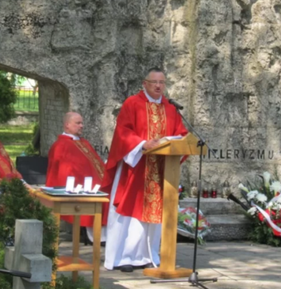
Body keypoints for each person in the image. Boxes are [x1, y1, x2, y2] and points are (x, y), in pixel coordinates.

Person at [102, 68, 188, 272]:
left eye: (162, 82)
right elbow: (123, 132)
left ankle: (149, 255)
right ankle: (124, 257)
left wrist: (180, 141)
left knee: (155, 215)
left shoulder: (170, 108)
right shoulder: (132, 103)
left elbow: (181, 134)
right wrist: (142, 144)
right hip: (136, 167)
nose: (158, 86)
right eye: (154, 82)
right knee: (130, 213)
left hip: (160, 169)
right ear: (145, 83)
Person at [46, 112, 107, 242]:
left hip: (95, 183)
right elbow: (64, 173)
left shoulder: (83, 142)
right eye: (78, 123)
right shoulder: (61, 146)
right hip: (81, 187)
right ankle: (98, 237)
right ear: (67, 125)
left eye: (81, 123)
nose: (81, 126)